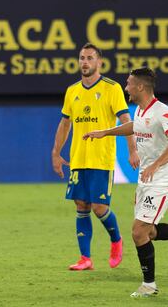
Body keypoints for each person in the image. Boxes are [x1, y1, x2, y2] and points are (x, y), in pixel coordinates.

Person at [51, 43, 140, 270]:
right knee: (81, 205)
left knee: (99, 207)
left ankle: (116, 240)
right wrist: (56, 152)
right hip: (78, 158)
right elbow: (65, 124)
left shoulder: (112, 88)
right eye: (82, 58)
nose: (85, 62)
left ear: (98, 61)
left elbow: (125, 121)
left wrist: (132, 150)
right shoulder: (72, 91)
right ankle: (85, 258)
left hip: (101, 158)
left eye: (90, 58)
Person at [84, 67, 168, 297]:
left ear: (140, 87)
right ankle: (149, 283)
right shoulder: (141, 111)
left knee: (138, 232)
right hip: (146, 180)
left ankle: (149, 285)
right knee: (149, 232)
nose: (126, 87)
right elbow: (134, 126)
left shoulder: (162, 112)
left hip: (161, 180)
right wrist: (105, 132)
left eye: (129, 83)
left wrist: (155, 165)